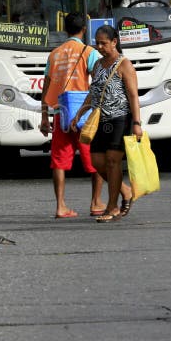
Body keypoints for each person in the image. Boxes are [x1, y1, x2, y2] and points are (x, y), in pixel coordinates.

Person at [70, 25, 142, 223]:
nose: (99, 46)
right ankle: (125, 191)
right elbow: (94, 92)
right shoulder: (98, 65)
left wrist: (137, 123)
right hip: (100, 119)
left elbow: (133, 95)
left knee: (112, 161)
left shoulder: (124, 65)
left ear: (114, 42)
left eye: (103, 43)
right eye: (97, 43)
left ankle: (112, 207)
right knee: (96, 162)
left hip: (120, 119)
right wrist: (80, 112)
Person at [40, 13, 106, 218]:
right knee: (96, 159)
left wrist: (44, 117)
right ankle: (96, 203)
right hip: (83, 115)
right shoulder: (89, 51)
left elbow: (46, 86)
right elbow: (99, 83)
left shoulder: (55, 54)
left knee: (59, 161)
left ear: (65, 29)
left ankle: (60, 206)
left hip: (62, 114)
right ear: (84, 30)